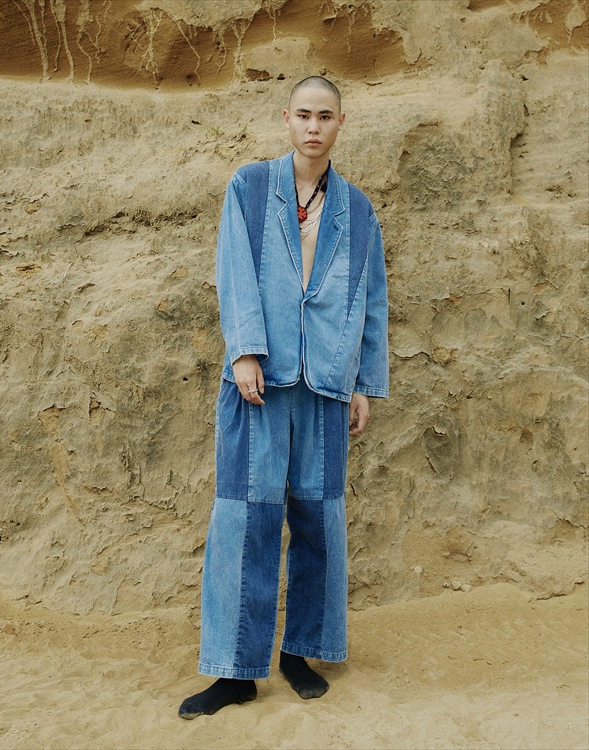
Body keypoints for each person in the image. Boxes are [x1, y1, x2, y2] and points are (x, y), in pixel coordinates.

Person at [178, 76, 389, 720]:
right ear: (286, 119)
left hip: (326, 383)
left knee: (319, 519)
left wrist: (363, 382)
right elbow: (233, 268)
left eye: (325, 116)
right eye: (303, 115)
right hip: (259, 381)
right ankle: (235, 670)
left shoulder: (358, 209)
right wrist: (244, 349)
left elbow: (371, 297)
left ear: (340, 123)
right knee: (245, 518)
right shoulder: (248, 188)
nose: (313, 127)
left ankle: (301, 652)